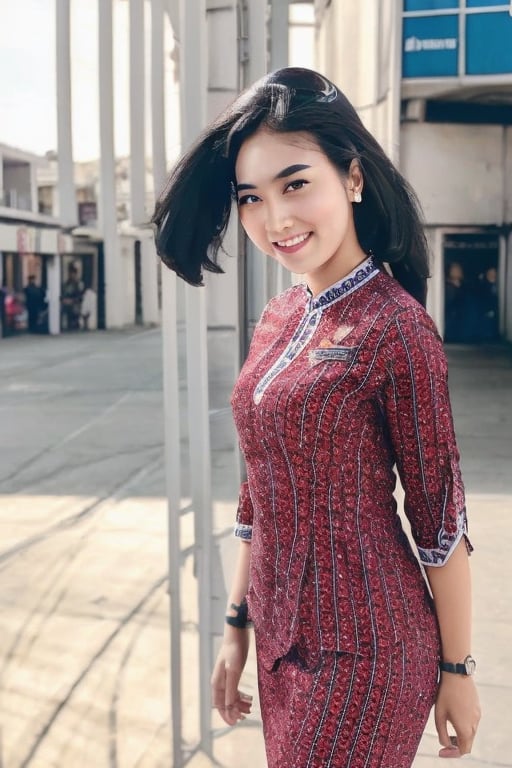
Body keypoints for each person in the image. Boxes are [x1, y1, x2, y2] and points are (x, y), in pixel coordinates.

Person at [152, 68, 480, 767]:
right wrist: (235, 626)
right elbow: (258, 491)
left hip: (368, 649)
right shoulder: (277, 318)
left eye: (295, 184)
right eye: (252, 198)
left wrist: (458, 671)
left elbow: (440, 520)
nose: (276, 220)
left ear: (352, 179)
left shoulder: (397, 329)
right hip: (278, 642)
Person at [61, 264, 83, 331]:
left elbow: (80, 296)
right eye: (70, 273)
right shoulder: (67, 283)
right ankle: (69, 324)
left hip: (75, 302)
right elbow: (64, 293)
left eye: (73, 273)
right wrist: (64, 299)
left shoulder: (78, 283)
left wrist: (72, 300)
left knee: (74, 310)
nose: (71, 275)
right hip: (67, 302)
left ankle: (74, 324)